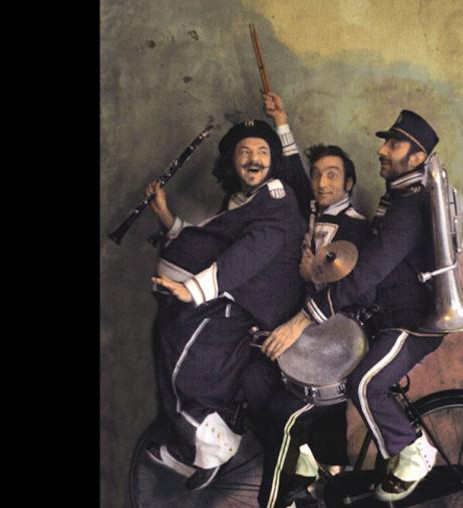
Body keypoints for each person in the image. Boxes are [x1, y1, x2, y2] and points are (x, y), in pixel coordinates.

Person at [262, 109, 445, 502]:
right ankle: (316, 463)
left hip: (412, 323)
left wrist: (304, 319)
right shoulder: (397, 198)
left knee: (363, 384)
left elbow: (369, 273)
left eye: (393, 144)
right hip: (388, 319)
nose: (381, 150)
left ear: (416, 157)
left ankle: (415, 451)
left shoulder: (408, 208)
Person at [142, 119, 308, 490]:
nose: (254, 159)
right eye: (244, 152)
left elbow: (250, 254)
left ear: (273, 160)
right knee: (170, 337)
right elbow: (213, 242)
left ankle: (210, 439)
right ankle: (203, 443)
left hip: (257, 310)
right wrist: (166, 217)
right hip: (237, 299)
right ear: (232, 161)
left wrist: (193, 290)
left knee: (181, 354)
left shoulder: (277, 198)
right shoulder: (244, 201)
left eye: (262, 152)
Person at [248, 94, 374, 507]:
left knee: (301, 411)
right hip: (309, 329)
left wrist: (311, 273)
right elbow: (294, 173)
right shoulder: (314, 209)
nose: (322, 183)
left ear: (349, 184)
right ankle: (323, 475)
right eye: (318, 175)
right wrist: (281, 120)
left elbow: (353, 287)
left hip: (338, 333)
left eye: (332, 176)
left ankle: (317, 476)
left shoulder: (356, 228)